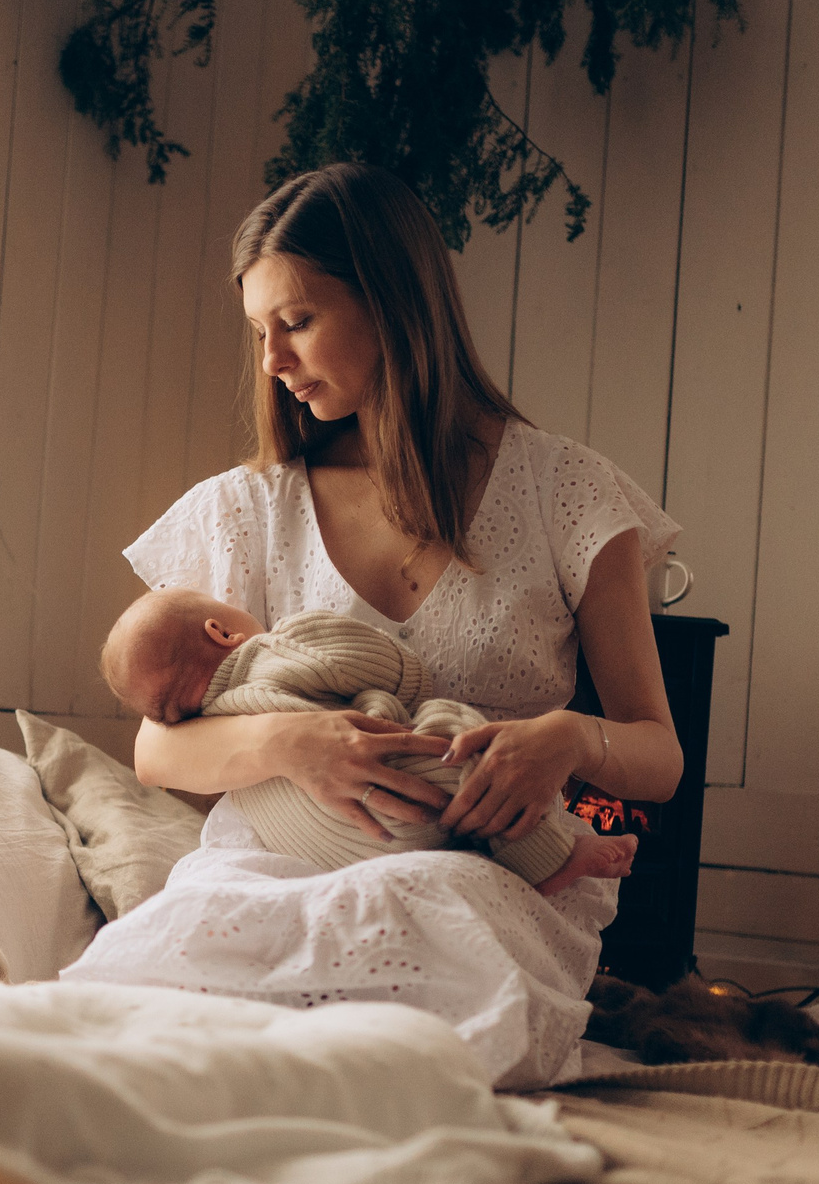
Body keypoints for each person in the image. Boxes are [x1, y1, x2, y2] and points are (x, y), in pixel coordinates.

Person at [58, 162, 683, 1087]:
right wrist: (290, 741)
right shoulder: (245, 509)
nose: (271, 359)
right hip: (269, 866)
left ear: (395, 302)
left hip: (488, 871)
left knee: (419, 970)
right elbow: (159, 750)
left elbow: (656, 756)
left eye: (297, 322)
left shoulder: (569, 493)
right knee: (140, 1024)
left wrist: (565, 741)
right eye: (259, 332)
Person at [98, 589, 637, 896]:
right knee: (458, 744)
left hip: (335, 857)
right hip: (406, 795)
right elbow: (389, 665)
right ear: (220, 631)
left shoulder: (207, 722)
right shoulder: (276, 649)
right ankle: (550, 861)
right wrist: (405, 681)